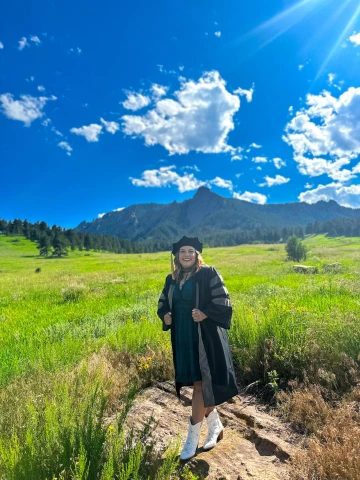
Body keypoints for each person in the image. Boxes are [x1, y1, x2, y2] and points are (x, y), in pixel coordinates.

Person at [157, 236, 238, 461]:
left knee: (200, 385)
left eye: (191, 251)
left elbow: (224, 300)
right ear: (176, 255)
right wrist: (166, 315)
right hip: (182, 336)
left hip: (205, 337)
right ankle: (215, 426)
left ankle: (192, 438)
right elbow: (162, 302)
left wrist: (205, 313)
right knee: (197, 382)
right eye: (182, 250)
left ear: (196, 254)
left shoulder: (208, 273)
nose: (186, 254)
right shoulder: (171, 279)